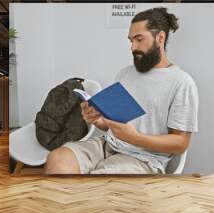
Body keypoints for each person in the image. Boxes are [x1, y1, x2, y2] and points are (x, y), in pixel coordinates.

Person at [44, 7, 198, 174]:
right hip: (108, 145)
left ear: (160, 37)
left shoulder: (182, 82)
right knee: (57, 158)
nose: (132, 47)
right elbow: (111, 125)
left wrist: (134, 138)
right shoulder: (125, 74)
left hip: (144, 158)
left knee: (101, 179)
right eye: (131, 40)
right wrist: (96, 119)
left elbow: (181, 143)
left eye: (139, 39)